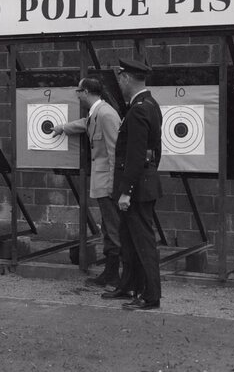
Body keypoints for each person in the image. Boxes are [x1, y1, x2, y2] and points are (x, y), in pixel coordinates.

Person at [101, 59, 163, 310]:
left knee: (142, 242)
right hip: (143, 183)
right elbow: (155, 151)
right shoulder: (150, 104)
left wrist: (127, 191)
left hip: (136, 188)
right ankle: (129, 285)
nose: (119, 83)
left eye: (120, 79)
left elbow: (136, 155)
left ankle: (150, 296)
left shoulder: (138, 109)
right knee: (128, 240)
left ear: (126, 78)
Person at [52, 77, 122, 287]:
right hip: (102, 183)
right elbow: (85, 124)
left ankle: (119, 276)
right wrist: (63, 127)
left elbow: (114, 152)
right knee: (109, 230)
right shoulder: (97, 113)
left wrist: (112, 185)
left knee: (113, 229)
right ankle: (111, 274)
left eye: (78, 91)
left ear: (87, 92)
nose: (77, 95)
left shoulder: (106, 114)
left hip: (107, 184)